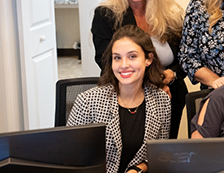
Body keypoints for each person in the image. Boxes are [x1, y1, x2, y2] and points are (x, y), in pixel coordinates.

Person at [91, 0, 187, 139]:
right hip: (127, 100)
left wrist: (171, 75)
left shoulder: (170, 13)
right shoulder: (105, 15)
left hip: (170, 97)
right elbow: (106, 62)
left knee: (162, 156)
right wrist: (153, 84)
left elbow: (186, 56)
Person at [67, 25, 171, 173]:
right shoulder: (88, 101)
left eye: (132, 56)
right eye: (117, 58)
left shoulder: (162, 101)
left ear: (148, 59)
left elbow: (158, 154)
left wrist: (137, 170)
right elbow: (70, 157)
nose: (124, 65)